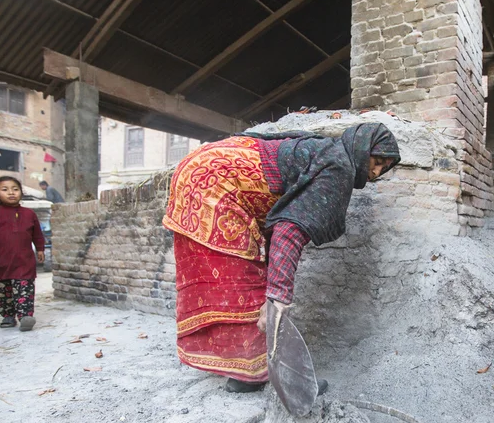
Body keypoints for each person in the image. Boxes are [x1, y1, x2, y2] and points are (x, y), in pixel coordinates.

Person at [163, 123, 400, 393]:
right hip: (215, 183)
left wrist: (273, 288)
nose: (377, 172)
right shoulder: (339, 168)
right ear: (361, 147)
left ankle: (244, 373)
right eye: (377, 161)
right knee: (246, 282)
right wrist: (278, 297)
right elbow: (289, 232)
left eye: (385, 167)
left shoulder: (327, 152)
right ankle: (263, 375)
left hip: (201, 169)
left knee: (243, 278)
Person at [0, 176, 45, 331]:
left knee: (25, 287)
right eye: (5, 189)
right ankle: (8, 315)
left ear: (21, 192)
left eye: (15, 189)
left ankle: (25, 316)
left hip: (24, 259)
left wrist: (41, 248)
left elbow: (37, 234)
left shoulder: (29, 213)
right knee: (1, 290)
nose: (11, 193)